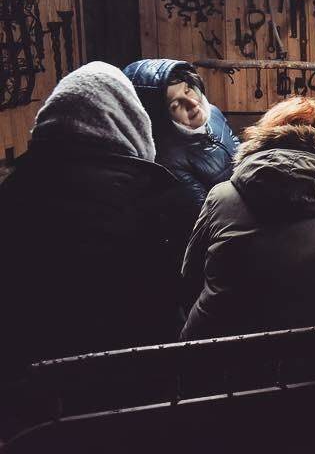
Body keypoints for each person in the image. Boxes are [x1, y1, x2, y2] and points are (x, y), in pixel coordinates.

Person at [0, 62, 182, 376]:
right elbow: (159, 308)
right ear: (130, 120)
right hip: (123, 378)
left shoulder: (13, 192)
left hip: (28, 382)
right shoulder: (140, 201)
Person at [181, 97, 315, 340]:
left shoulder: (220, 197)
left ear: (266, 136)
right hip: (309, 358)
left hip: (212, 351)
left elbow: (189, 280)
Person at [123, 59, 239, 267]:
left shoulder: (212, 113)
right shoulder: (169, 162)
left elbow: (238, 150)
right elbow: (208, 222)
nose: (192, 103)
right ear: (159, 117)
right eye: (176, 105)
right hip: (221, 252)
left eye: (188, 90)